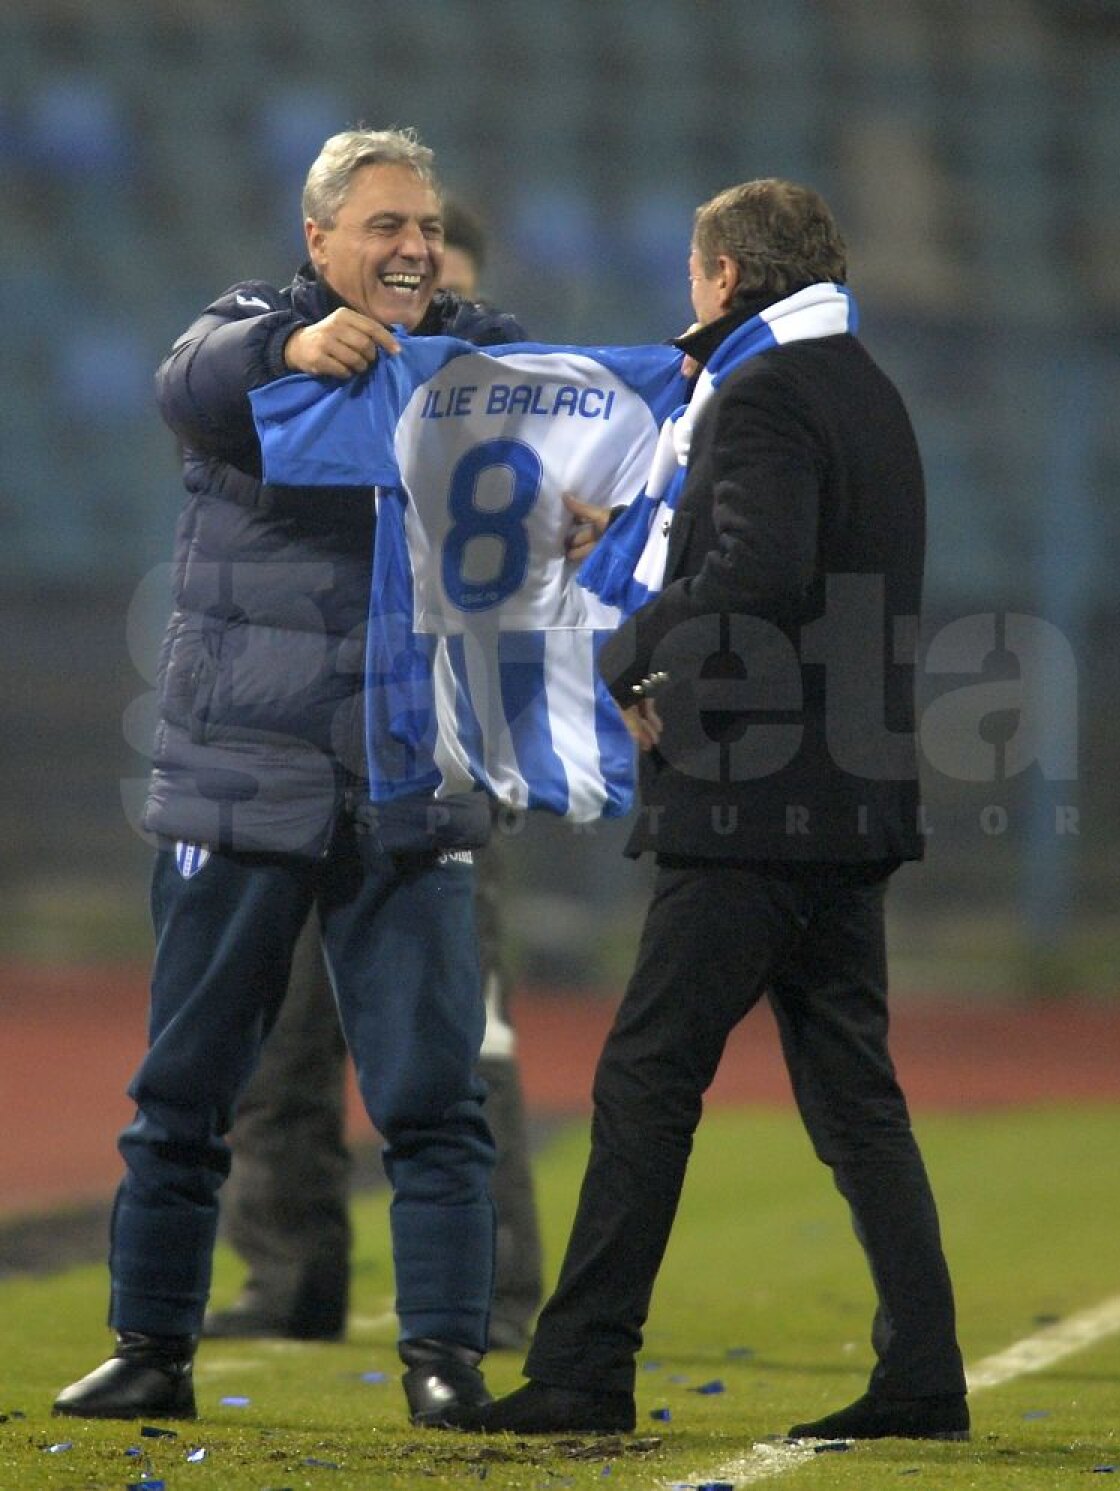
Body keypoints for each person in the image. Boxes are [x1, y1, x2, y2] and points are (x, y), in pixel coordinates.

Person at [440, 179, 969, 1441]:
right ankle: (923, 1376)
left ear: (726, 276)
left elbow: (762, 566)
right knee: (853, 1099)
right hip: (847, 795)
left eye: (695, 270)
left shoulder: (765, 391)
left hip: (752, 800)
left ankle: (582, 1367)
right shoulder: (862, 387)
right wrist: (627, 538)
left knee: (647, 1079)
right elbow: (795, 555)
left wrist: (639, 660)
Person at [53, 127, 525, 1427]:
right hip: (244, 776)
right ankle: (153, 1345)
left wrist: (571, 498)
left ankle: (444, 1357)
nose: (414, 246)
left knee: (432, 1093)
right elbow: (186, 378)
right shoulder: (251, 337)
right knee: (188, 1086)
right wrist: (288, 349)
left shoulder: (475, 351)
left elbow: (560, 437)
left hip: (407, 775)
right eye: (384, 224)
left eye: (423, 225)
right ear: (317, 241)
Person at [201, 197, 543, 1355]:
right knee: (283, 1034)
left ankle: (490, 1295)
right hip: (306, 763)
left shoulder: (503, 423)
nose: (417, 279)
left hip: (438, 770)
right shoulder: (318, 391)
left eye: (438, 268)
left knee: (459, 1044)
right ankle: (289, 1276)